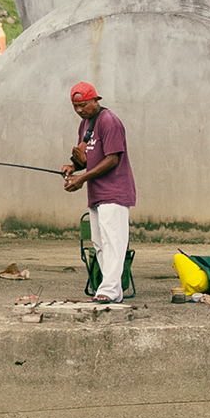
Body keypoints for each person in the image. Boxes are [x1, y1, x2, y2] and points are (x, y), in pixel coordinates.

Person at [62, 79, 136, 301]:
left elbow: (112, 159)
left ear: (95, 99)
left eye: (84, 105)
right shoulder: (86, 124)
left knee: (113, 241)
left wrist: (82, 178)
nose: (79, 110)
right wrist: (73, 167)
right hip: (96, 194)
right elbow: (87, 158)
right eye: (75, 106)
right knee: (99, 243)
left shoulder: (109, 122)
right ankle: (110, 288)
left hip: (114, 192)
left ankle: (109, 290)